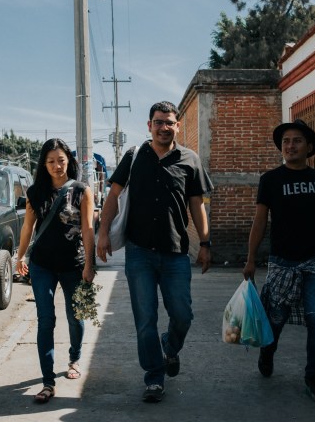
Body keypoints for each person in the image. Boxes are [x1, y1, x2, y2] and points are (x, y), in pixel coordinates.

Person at [96, 101, 213, 403]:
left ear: (177, 126)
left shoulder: (190, 159)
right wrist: (103, 234)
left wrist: (205, 242)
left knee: (183, 315)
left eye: (169, 122)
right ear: (149, 125)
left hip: (176, 254)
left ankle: (169, 347)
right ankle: (154, 378)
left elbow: (197, 204)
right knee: (145, 318)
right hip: (140, 253)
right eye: (158, 122)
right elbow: (113, 196)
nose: (164, 127)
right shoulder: (135, 157)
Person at [244, 118, 315, 403]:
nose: (290, 145)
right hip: (282, 262)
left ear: (309, 147)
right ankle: (267, 352)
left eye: (297, 140)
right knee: (275, 321)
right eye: (286, 141)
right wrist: (250, 259)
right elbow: (260, 221)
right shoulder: (271, 180)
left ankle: (314, 376)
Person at [15, 138, 96, 404]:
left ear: (68, 161)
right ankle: (48, 381)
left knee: (76, 316)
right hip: (42, 265)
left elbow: (87, 229)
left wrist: (90, 264)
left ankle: (74, 358)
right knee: (46, 319)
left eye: (61, 160)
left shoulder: (82, 191)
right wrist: (20, 255)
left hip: (74, 264)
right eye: (51, 161)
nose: (57, 166)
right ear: (44, 164)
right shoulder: (34, 192)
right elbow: (28, 227)